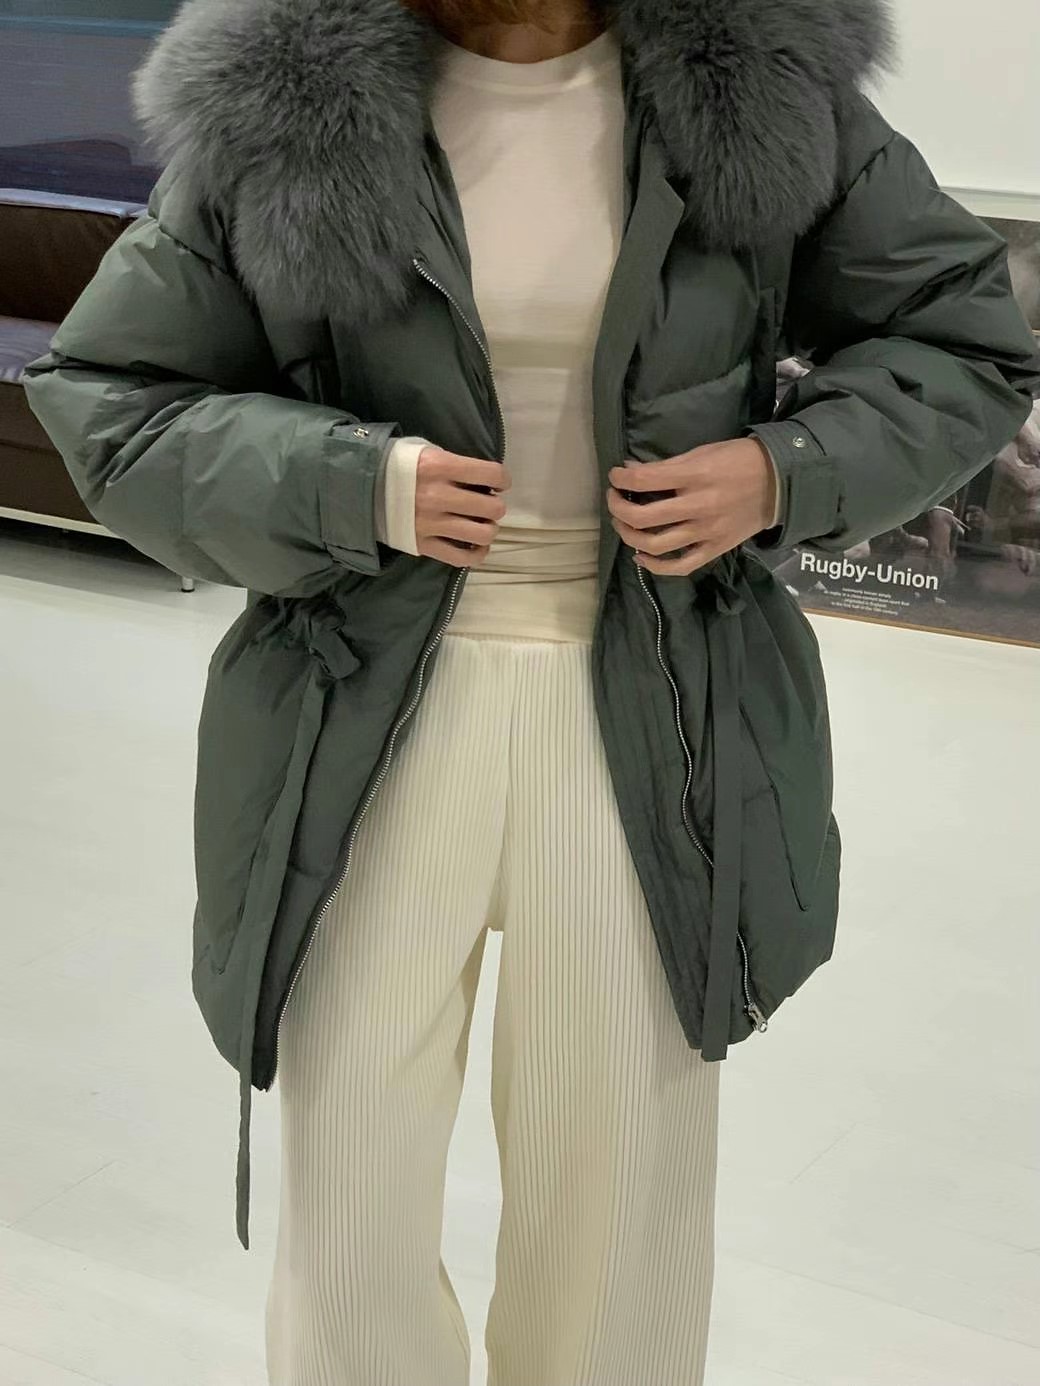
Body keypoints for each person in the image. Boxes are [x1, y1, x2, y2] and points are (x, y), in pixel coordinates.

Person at [22, 0, 1040, 1382]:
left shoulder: (758, 85)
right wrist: (354, 483)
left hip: (655, 703)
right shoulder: (287, 104)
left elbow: (965, 337)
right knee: (353, 1195)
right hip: (360, 701)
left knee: (619, 1193)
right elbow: (114, 391)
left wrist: (780, 471)